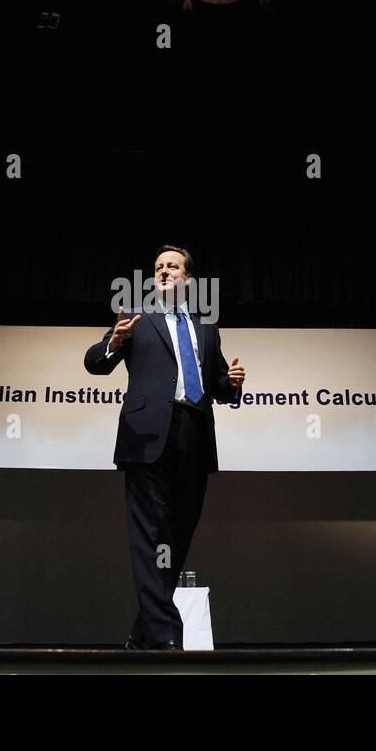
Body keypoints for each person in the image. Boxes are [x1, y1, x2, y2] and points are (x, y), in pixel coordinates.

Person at [84, 245, 245, 650]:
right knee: (150, 533)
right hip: (146, 435)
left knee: (178, 536)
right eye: (158, 267)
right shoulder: (138, 319)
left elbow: (219, 385)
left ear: (188, 281)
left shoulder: (206, 328)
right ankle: (165, 634)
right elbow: (94, 363)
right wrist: (114, 343)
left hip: (194, 433)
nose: (163, 271)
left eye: (172, 266)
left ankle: (143, 632)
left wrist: (234, 382)